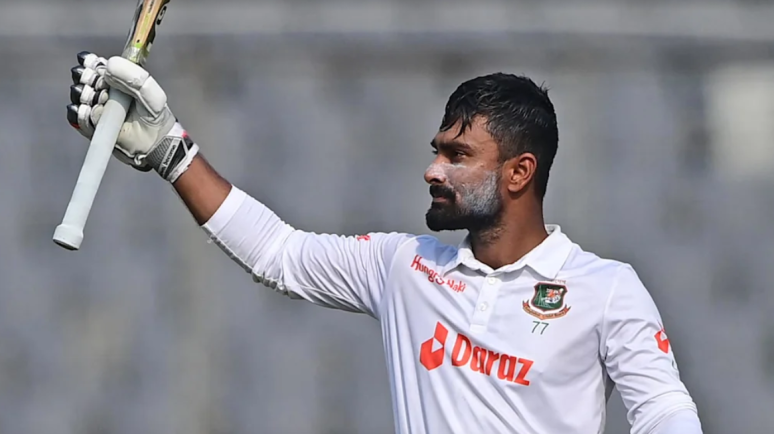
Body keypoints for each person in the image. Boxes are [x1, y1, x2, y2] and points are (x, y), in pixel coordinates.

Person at [66, 51, 704, 434]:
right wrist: (170, 150)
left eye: (458, 156)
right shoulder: (405, 266)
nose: (433, 170)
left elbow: (663, 411)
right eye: (437, 151)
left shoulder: (605, 288)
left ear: (519, 173)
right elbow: (278, 253)